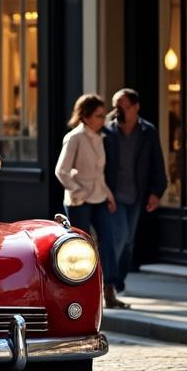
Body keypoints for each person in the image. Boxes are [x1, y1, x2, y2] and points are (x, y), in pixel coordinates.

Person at [55, 94, 122, 309]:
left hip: (100, 197)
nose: (103, 119)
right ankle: (80, 293)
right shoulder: (74, 137)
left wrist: (109, 195)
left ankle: (109, 290)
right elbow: (61, 171)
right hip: (79, 201)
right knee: (81, 247)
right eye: (98, 115)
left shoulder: (100, 137)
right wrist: (78, 189)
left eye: (104, 115)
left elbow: (99, 175)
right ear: (85, 116)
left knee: (109, 241)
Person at [104, 88, 169, 298]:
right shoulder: (107, 131)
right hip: (112, 195)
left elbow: (157, 162)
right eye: (115, 106)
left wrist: (156, 192)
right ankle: (109, 283)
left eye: (123, 105)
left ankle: (119, 280)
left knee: (129, 240)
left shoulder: (148, 131)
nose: (118, 110)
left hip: (136, 195)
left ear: (135, 107)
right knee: (119, 236)